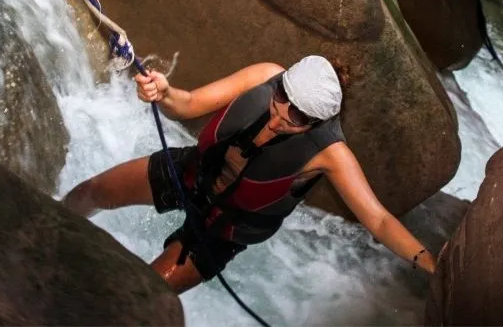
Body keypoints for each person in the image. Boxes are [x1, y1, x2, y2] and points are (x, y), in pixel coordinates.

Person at [62, 55, 436, 293]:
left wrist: (431, 265)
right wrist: (164, 92)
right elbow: (189, 104)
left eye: (297, 118)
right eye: (282, 98)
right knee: (90, 191)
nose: (279, 116)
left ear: (318, 122)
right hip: (192, 173)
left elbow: (381, 220)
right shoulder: (264, 76)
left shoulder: (332, 154)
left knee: (143, 292)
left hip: (224, 227)